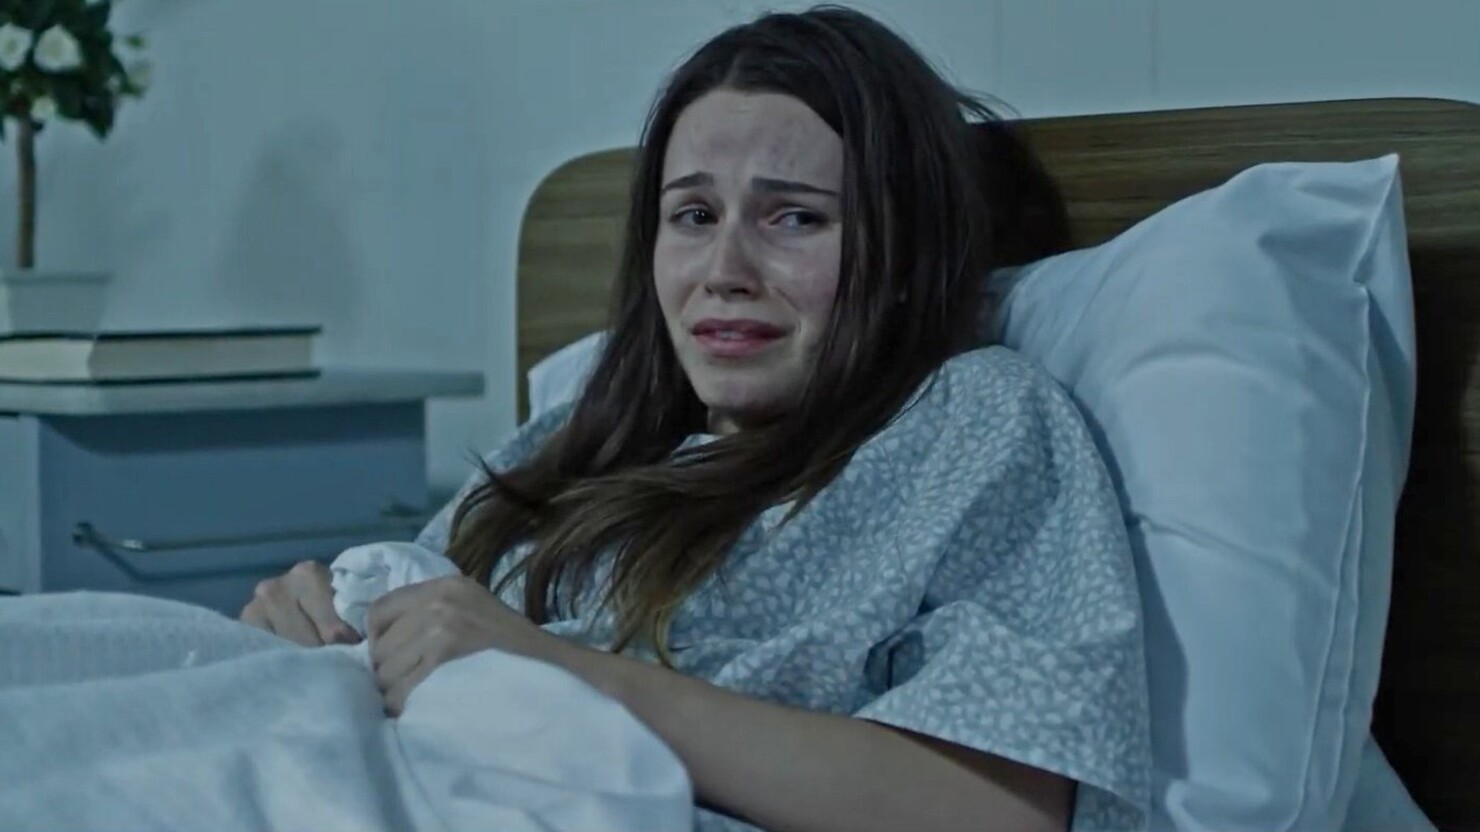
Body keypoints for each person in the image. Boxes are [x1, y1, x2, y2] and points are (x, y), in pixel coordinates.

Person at [241, 6, 1150, 832]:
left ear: (904, 252)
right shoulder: (574, 442)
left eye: (794, 218)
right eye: (695, 214)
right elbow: (419, 629)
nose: (725, 269)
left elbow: (999, 810)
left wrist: (559, 673)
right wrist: (308, 626)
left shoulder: (971, 423)